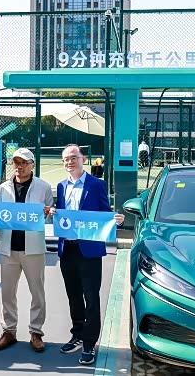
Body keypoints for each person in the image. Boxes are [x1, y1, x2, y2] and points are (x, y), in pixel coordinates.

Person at [50, 144, 124, 365]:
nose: (70, 162)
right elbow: (62, 214)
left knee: (91, 298)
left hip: (89, 251)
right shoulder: (61, 186)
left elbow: (105, 213)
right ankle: (78, 334)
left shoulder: (96, 184)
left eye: (74, 157)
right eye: (66, 159)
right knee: (73, 296)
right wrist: (53, 211)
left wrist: (116, 220)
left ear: (83, 159)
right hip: (68, 249)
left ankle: (90, 343)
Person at [0, 148, 54, 353]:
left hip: (33, 249)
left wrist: (49, 213)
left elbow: (50, 216)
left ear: (32, 164)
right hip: (8, 248)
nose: (19, 166)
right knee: (7, 293)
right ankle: (9, 331)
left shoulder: (43, 187)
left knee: (37, 293)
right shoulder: (3, 189)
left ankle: (36, 332)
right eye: (16, 162)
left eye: (24, 162)